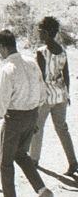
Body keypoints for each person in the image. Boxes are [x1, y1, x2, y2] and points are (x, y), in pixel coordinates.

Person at [0, 29, 53, 197]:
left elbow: (1, 104)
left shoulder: (8, 70)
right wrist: (35, 119)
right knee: (21, 155)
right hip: (31, 115)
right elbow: (42, 95)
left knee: (6, 162)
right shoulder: (31, 62)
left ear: (4, 47)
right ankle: (42, 190)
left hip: (14, 119)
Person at [29, 16, 78, 174]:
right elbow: (66, 75)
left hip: (46, 96)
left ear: (46, 33)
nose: (38, 34)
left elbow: (41, 78)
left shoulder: (41, 52)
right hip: (61, 95)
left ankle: (34, 160)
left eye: (40, 32)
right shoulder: (62, 51)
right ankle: (73, 162)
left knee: (37, 127)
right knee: (62, 129)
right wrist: (67, 94)